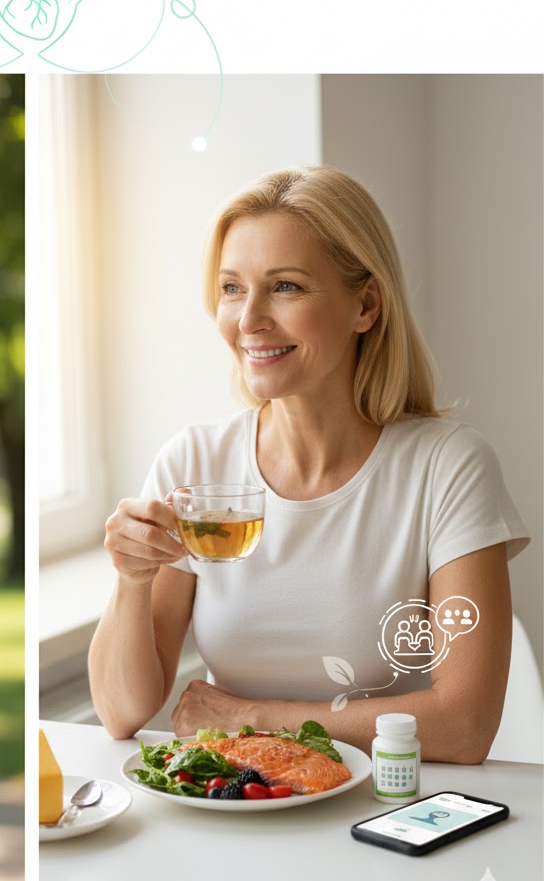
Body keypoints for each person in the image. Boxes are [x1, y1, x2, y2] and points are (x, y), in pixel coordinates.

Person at [89, 166, 529, 765]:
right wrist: (132, 581)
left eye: (286, 287)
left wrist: (251, 720)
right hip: (240, 809)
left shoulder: (448, 468)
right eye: (231, 288)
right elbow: (120, 712)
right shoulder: (192, 463)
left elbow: (465, 724)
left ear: (366, 305)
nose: (248, 320)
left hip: (387, 814)